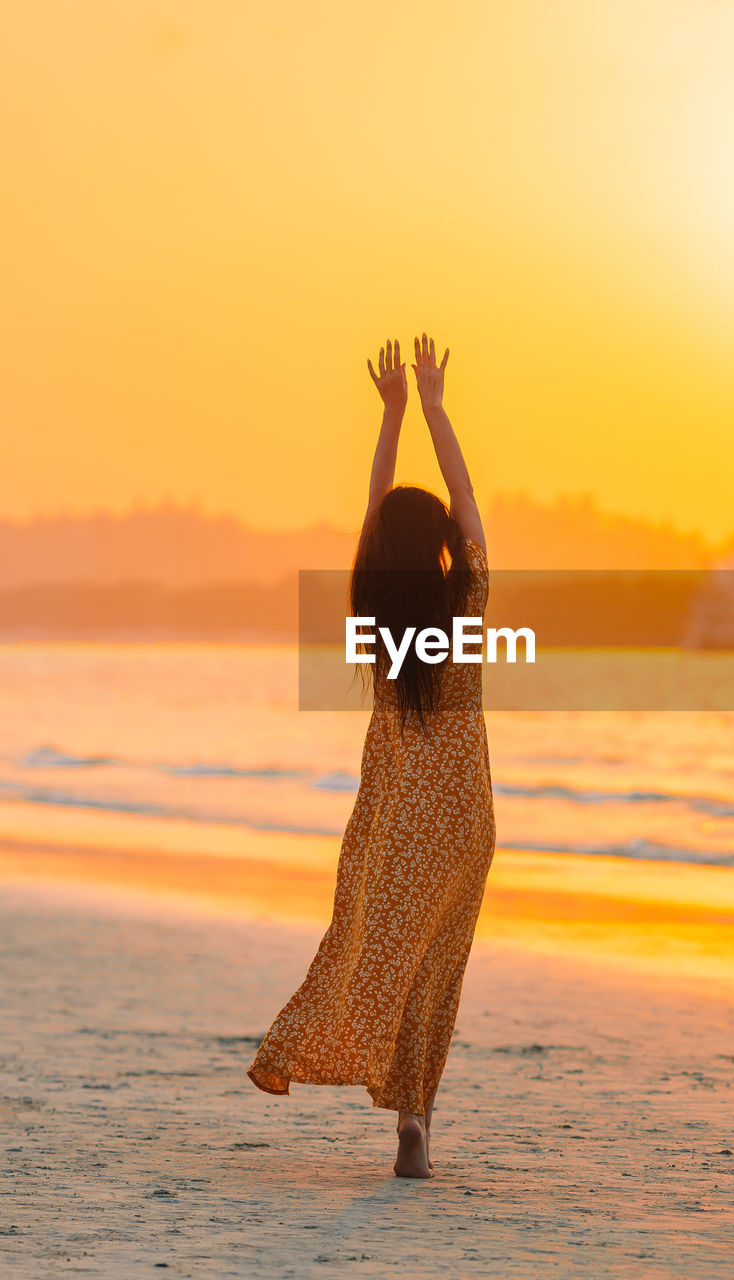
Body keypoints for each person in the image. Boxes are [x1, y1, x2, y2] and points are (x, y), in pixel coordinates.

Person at [247, 332, 496, 1179]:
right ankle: (416, 1116)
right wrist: (433, 406)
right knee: (435, 966)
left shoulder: (373, 608)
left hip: (393, 814)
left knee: (368, 949)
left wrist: (388, 416)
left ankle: (317, 1052)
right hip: (463, 817)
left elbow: (373, 510)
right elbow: (463, 497)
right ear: (439, 548)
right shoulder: (467, 601)